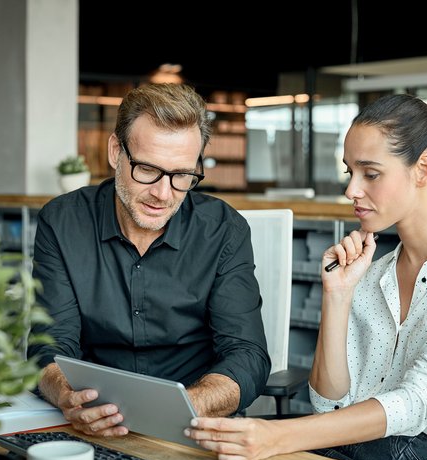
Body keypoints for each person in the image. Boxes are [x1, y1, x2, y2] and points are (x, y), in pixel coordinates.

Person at [185, 93, 427, 460]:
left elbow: (416, 404)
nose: (351, 191)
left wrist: (277, 437)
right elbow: (328, 404)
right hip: (355, 446)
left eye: (371, 174)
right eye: (350, 172)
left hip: (426, 459)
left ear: (423, 169)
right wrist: (338, 295)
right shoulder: (374, 273)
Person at [27, 82, 271, 438]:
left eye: (182, 176)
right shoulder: (62, 222)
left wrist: (184, 406)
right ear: (115, 151)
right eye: (146, 169)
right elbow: (49, 345)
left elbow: (246, 355)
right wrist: (68, 396)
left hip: (194, 423)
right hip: (93, 422)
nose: (162, 193)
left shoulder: (224, 231)